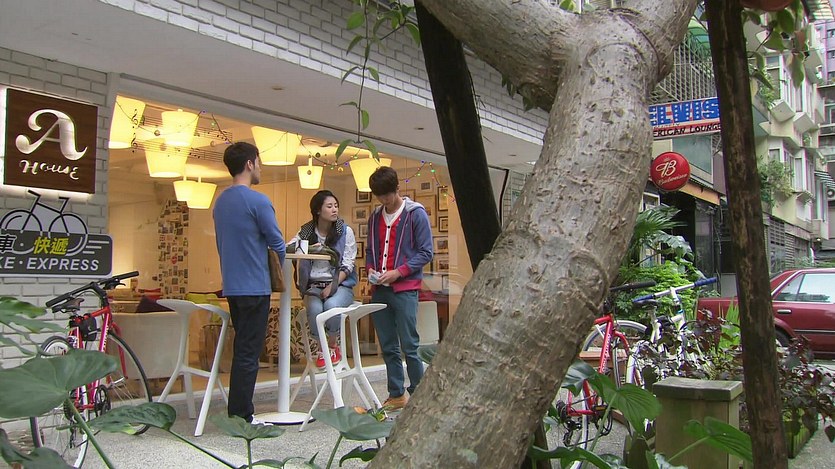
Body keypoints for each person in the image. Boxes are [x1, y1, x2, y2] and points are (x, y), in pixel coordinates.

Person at [213, 141, 286, 424]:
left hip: (232, 286)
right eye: (259, 162)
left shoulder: (220, 202)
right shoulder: (258, 201)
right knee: (249, 352)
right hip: (255, 285)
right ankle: (242, 416)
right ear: (249, 164)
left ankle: (238, 411)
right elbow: (277, 243)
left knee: (242, 349)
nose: (261, 168)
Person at [365, 166, 433, 411]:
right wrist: (370, 270)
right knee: (388, 345)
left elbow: (426, 252)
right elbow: (370, 250)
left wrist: (399, 272)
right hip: (379, 289)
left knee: (409, 344)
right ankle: (396, 394)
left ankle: (419, 395)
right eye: (379, 195)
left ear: (396, 189)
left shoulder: (415, 214)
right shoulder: (375, 217)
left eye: (387, 194)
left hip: (405, 288)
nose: (384, 199)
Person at [289, 190, 358, 368]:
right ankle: (321, 348)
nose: (334, 210)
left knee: (331, 306)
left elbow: (348, 263)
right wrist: (309, 247)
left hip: (340, 284)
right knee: (314, 309)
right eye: (329, 206)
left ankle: (333, 345)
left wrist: (332, 286)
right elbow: (289, 247)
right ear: (318, 210)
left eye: (336, 206)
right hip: (313, 284)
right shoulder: (306, 231)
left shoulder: (344, 231)